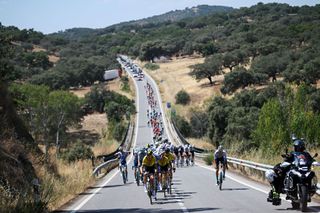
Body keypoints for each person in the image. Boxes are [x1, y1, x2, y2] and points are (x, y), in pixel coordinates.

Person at [266, 136, 315, 206]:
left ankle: (310, 189)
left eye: (296, 147)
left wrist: (314, 162)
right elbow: (287, 159)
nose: (295, 148)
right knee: (278, 172)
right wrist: (286, 157)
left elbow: (311, 159)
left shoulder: (306, 154)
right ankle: (275, 194)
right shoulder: (292, 154)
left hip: (303, 170)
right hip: (295, 169)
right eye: (296, 147)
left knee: (311, 174)